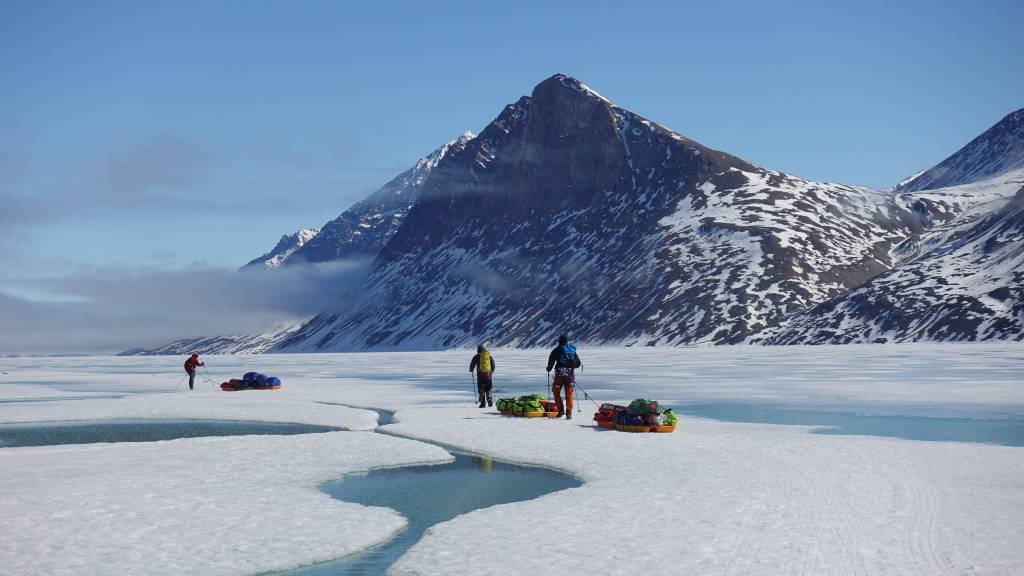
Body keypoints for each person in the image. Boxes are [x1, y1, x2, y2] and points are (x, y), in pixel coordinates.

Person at [546, 334, 582, 419]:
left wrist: (549, 368)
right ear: (567, 341)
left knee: (556, 391)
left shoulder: (556, 350)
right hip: (570, 376)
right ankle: (569, 412)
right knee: (569, 394)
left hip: (559, 376)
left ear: (559, 341)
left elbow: (551, 362)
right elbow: (578, 364)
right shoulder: (572, 351)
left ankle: (561, 410)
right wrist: (570, 366)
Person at [469, 344, 495, 408]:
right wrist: (491, 371)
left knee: (481, 389)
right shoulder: (489, 356)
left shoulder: (477, 356)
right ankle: (489, 399)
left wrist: (471, 370)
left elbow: (472, 364)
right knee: (488, 388)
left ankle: (483, 403)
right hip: (488, 375)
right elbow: (493, 365)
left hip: (480, 375)